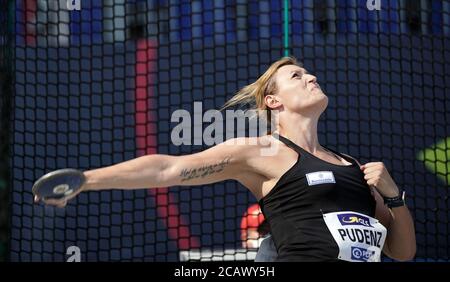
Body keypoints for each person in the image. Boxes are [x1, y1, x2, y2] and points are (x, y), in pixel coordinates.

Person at [34, 57, 416, 262]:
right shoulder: (263, 152)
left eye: (308, 72)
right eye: (297, 76)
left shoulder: (355, 166)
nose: (311, 76)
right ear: (273, 101)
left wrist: (394, 196)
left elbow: (401, 251)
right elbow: (169, 168)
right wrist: (86, 179)